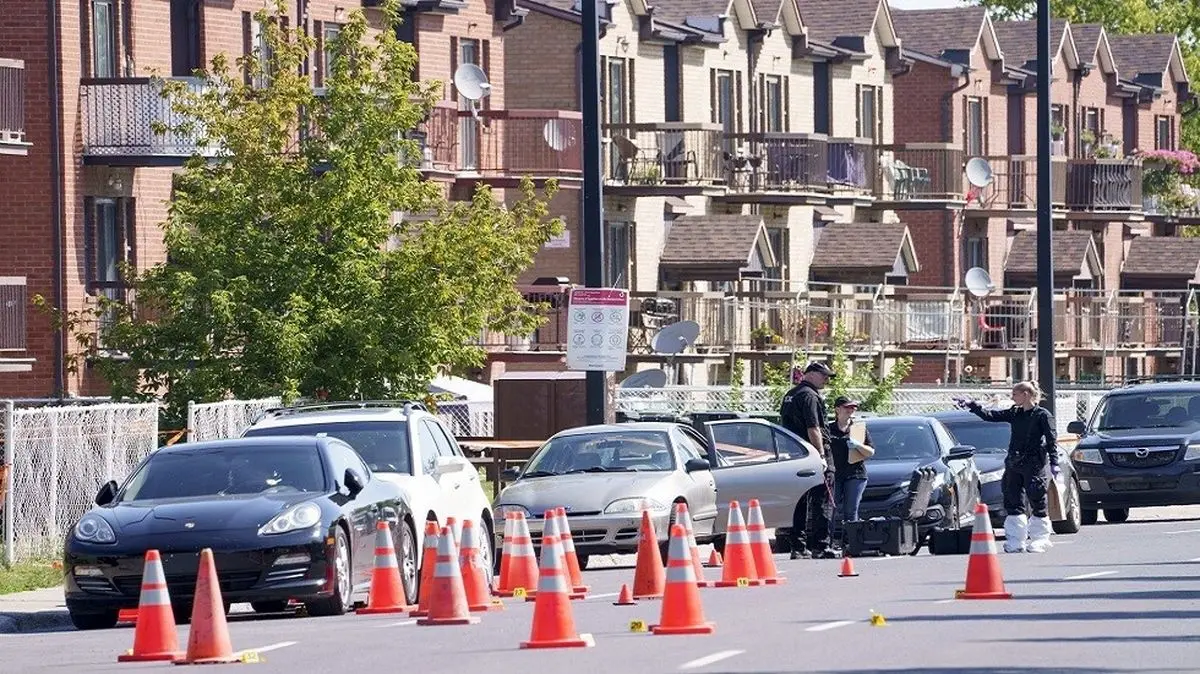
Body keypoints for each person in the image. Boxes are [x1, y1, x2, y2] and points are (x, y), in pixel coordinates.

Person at [954, 381, 1059, 553]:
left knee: (1037, 498)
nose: (1012, 398)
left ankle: (1040, 538)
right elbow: (991, 416)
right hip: (1014, 463)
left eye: (1015, 394)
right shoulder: (1015, 413)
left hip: (1033, 463)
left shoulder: (1042, 415)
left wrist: (1054, 462)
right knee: (1012, 499)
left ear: (1025, 394)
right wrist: (973, 406)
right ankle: (1016, 540)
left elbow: (1051, 439)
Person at [779, 361, 837, 559]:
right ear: (810, 374)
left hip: (795, 453)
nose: (826, 380)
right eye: (824, 376)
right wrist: (821, 454)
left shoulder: (791, 394)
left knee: (800, 501)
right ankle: (821, 546)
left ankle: (799, 546)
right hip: (813, 452)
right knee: (823, 501)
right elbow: (814, 428)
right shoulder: (809, 395)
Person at [828, 396, 873, 549]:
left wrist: (858, 445)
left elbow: (870, 452)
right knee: (830, 510)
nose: (851, 411)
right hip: (835, 474)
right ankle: (829, 543)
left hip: (856, 474)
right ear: (837, 409)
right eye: (847, 407)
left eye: (853, 408)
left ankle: (851, 543)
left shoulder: (859, 429)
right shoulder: (828, 429)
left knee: (850, 511)